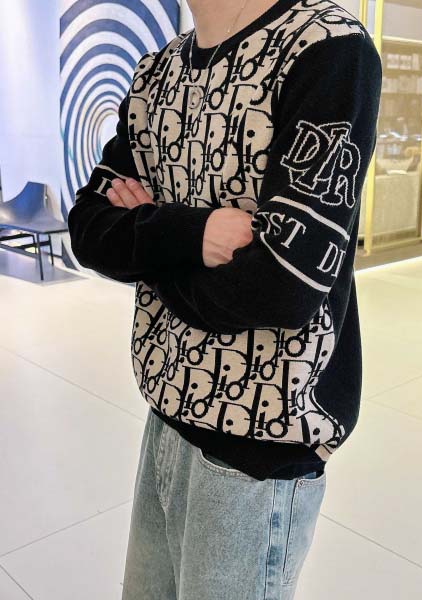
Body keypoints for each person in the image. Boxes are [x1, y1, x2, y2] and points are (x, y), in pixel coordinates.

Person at [68, 0, 382, 598]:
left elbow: (281, 287)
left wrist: (148, 241)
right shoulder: (157, 73)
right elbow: (87, 228)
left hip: (260, 449)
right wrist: (193, 234)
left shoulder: (324, 47)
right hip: (165, 413)